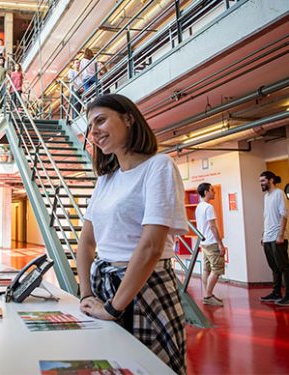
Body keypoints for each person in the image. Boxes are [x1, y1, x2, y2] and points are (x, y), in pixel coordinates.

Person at [76, 94, 188, 374]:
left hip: (144, 289)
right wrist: (86, 293)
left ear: (128, 118)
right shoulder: (106, 180)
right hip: (104, 287)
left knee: (149, 367)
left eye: (101, 120)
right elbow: (87, 242)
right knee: (109, 365)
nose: (94, 132)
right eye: (90, 126)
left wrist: (114, 308)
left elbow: (151, 246)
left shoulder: (158, 166)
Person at [258, 171, 288, 306]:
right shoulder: (266, 196)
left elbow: (284, 215)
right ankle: (276, 292)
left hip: (277, 237)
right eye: (260, 181)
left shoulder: (279, 193)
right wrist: (263, 235)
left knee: (284, 267)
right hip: (268, 238)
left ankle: (288, 296)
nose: (261, 184)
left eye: (263, 181)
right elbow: (267, 218)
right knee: (274, 267)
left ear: (271, 180)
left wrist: (281, 235)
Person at [195, 183, 226, 306]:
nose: (214, 192)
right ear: (206, 192)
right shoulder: (208, 207)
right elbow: (213, 226)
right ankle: (208, 296)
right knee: (217, 270)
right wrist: (220, 244)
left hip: (204, 242)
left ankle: (208, 294)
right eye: (212, 190)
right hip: (212, 242)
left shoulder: (199, 207)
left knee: (206, 269)